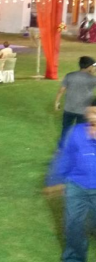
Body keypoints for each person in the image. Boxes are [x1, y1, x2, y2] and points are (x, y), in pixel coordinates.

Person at [52, 104, 96, 261]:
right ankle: (74, 258)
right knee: (74, 225)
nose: (92, 116)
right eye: (91, 112)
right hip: (76, 186)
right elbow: (66, 156)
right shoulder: (77, 132)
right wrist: (56, 180)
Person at [55, 56, 96, 148]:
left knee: (65, 129)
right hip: (83, 111)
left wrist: (57, 102)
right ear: (89, 66)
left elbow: (61, 90)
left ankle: (61, 148)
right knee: (81, 130)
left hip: (68, 109)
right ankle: (77, 148)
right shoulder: (92, 79)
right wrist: (92, 73)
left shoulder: (69, 75)